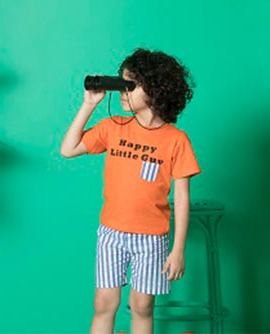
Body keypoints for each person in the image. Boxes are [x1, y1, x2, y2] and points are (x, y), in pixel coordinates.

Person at [60, 48, 201, 334]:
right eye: (121, 83)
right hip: (112, 233)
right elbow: (68, 149)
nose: (122, 91)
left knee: (142, 306)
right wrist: (89, 105)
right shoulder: (113, 127)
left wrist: (178, 249)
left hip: (151, 238)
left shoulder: (176, 140)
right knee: (104, 303)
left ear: (155, 89)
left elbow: (182, 198)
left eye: (130, 84)